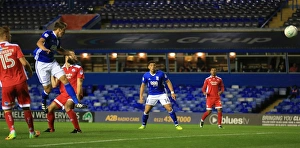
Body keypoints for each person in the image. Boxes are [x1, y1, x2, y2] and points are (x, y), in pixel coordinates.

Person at [33, 21, 86, 112]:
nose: (64, 33)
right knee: (48, 89)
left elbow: (59, 50)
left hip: (52, 62)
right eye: (63, 31)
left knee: (65, 79)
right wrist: (45, 49)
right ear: (59, 29)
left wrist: (69, 53)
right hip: (41, 64)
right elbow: (39, 42)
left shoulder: (57, 40)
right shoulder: (48, 33)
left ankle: (77, 102)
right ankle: (43, 101)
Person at [0, 26, 40, 140]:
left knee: (7, 109)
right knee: (26, 107)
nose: (11, 36)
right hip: (20, 81)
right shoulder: (14, 47)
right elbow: (23, 62)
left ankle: (12, 132)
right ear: (6, 35)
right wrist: (30, 70)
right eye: (10, 34)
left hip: (6, 83)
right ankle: (31, 132)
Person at [44, 52, 84, 133]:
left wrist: (78, 96)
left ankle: (77, 129)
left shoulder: (78, 68)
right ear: (66, 57)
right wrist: (52, 74)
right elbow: (54, 85)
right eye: (72, 55)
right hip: (63, 95)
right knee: (49, 109)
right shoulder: (60, 69)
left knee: (67, 107)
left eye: (74, 55)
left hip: (73, 94)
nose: (74, 56)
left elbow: (79, 84)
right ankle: (51, 129)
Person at [138, 61, 183, 130]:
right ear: (148, 67)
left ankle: (177, 124)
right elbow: (142, 86)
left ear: (156, 67)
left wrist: (172, 92)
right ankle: (143, 125)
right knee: (146, 111)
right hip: (151, 95)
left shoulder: (161, 74)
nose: (152, 67)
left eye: (154, 65)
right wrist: (141, 96)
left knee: (169, 108)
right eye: (151, 65)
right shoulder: (146, 75)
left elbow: (168, 81)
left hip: (162, 94)